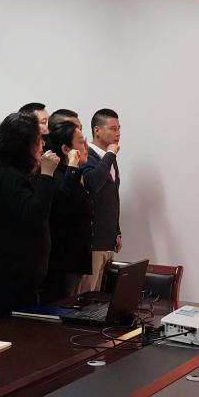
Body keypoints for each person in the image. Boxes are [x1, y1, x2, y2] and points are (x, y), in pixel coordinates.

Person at [0, 110, 60, 319]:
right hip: (8, 280)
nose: (43, 145)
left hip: (22, 278)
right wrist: (47, 173)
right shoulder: (8, 176)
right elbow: (34, 216)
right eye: (38, 140)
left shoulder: (17, 174)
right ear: (24, 144)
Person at [41, 118, 92, 301]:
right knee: (61, 305)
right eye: (81, 142)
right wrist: (72, 166)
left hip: (75, 256)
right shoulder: (56, 173)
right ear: (65, 149)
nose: (86, 147)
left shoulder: (73, 173)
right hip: (63, 258)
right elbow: (63, 203)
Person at [78, 108, 121, 293]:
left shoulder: (109, 158)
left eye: (119, 128)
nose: (118, 133)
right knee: (87, 295)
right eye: (112, 128)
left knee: (101, 298)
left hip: (108, 240)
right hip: (93, 242)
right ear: (97, 130)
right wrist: (110, 155)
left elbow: (112, 197)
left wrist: (117, 231)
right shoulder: (87, 156)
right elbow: (93, 184)